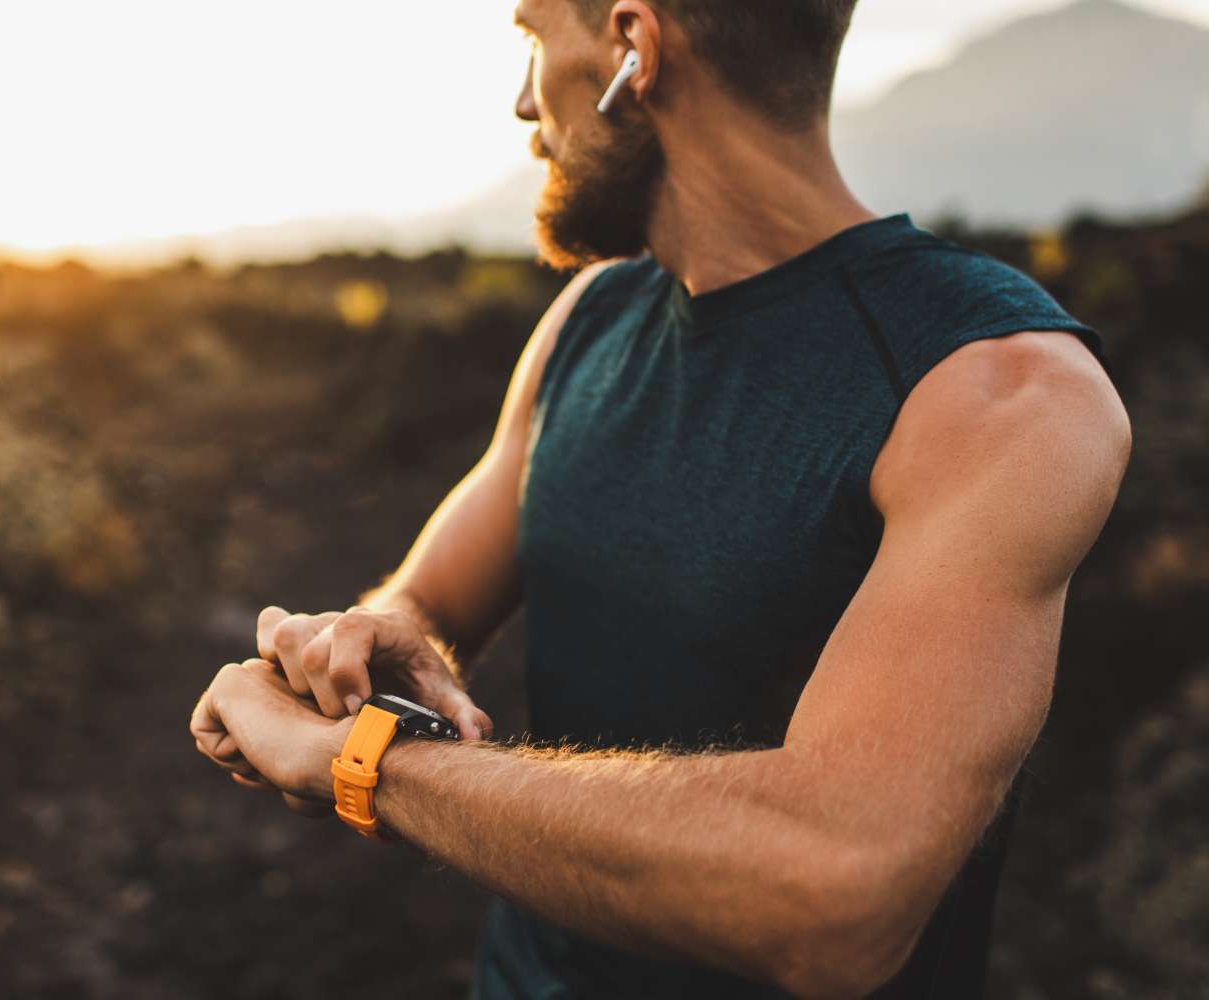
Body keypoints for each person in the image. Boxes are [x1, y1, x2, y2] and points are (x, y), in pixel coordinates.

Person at [189, 0, 1132, 995]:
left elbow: (835, 895)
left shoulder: (999, 392)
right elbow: (423, 599)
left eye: (530, 38)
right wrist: (365, 639)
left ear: (631, 48)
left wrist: (365, 759)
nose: (521, 104)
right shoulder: (590, 318)